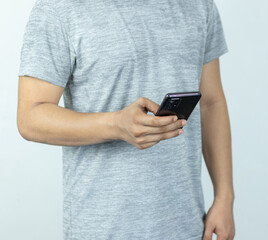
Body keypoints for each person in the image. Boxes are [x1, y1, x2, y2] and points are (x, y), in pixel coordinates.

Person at [17, 0, 235, 239]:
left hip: (187, 224)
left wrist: (224, 197)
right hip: (103, 227)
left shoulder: (198, 5)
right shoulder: (58, 8)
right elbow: (30, 117)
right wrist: (116, 125)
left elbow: (210, 103)